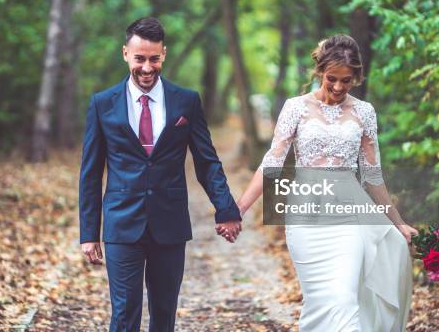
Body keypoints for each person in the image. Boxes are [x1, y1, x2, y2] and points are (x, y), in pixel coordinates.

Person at [222, 35, 418, 331]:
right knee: (320, 300)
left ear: (357, 78)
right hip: (306, 216)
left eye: (347, 81)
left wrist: (399, 222)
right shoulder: (295, 108)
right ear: (319, 72)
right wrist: (239, 208)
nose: (338, 87)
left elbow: (373, 177)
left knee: (343, 298)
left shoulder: (364, 112)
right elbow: (272, 163)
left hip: (350, 216)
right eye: (331, 79)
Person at [79, 17, 242, 332]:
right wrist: (89, 232)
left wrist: (226, 208)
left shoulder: (187, 101)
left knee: (164, 315)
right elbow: (90, 172)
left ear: (164, 54)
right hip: (121, 224)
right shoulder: (102, 104)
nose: (147, 67)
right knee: (124, 315)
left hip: (170, 224)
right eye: (139, 58)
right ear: (125, 53)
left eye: (154, 59)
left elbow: (207, 161)